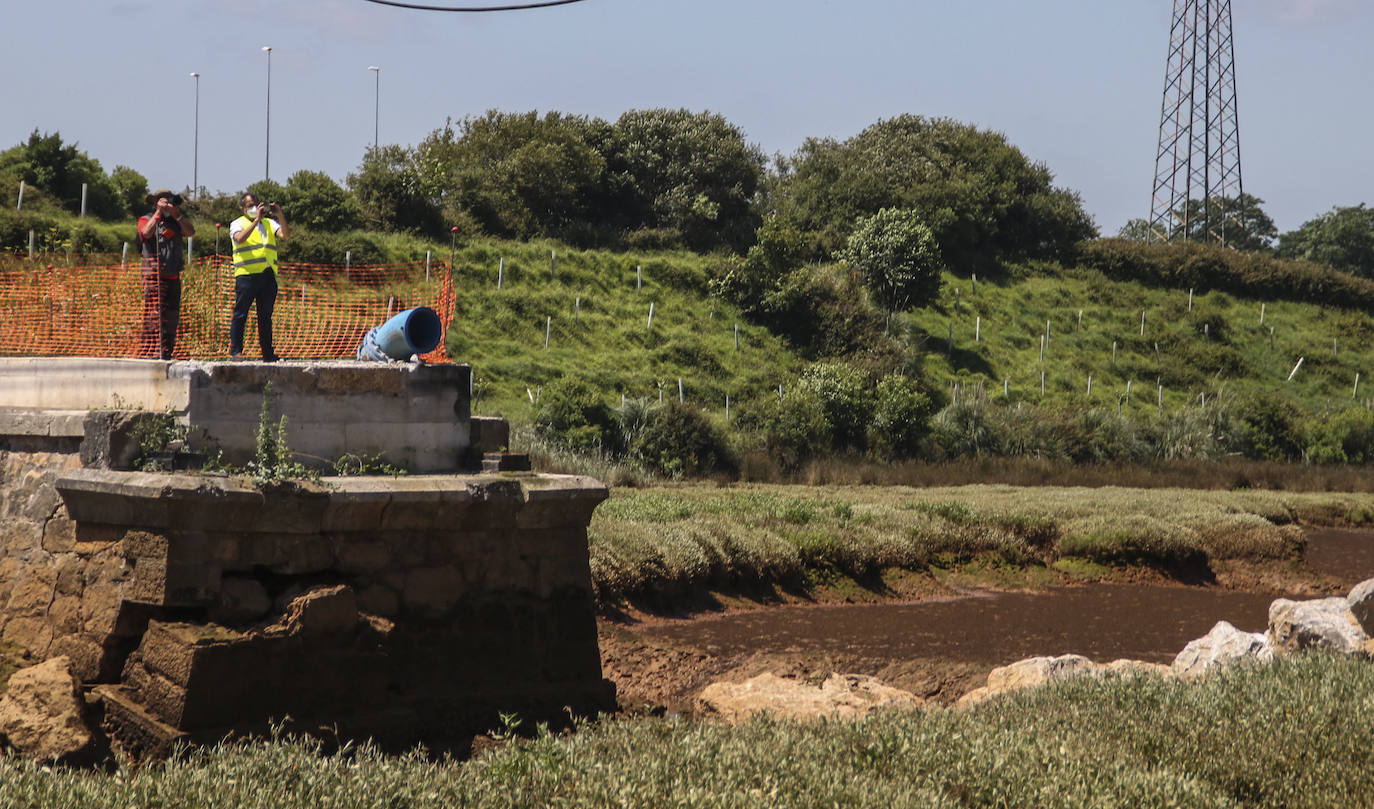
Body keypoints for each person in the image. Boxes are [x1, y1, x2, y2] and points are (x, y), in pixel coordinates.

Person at [228, 192, 290, 361]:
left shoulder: (269, 223)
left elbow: (286, 234)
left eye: (257, 204)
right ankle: (236, 351)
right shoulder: (237, 223)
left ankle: (268, 353)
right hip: (247, 276)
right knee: (241, 314)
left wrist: (280, 215)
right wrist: (255, 221)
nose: (255, 208)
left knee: (265, 317)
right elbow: (239, 239)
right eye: (250, 205)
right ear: (243, 208)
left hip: (267, 275)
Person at [136, 189, 195, 359]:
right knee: (154, 315)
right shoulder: (146, 218)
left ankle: (166, 351)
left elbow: (190, 232)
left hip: (173, 276)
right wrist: (158, 213)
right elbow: (145, 233)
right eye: (165, 200)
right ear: (156, 201)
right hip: (154, 275)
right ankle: (150, 351)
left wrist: (176, 215)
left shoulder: (175, 221)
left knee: (172, 317)